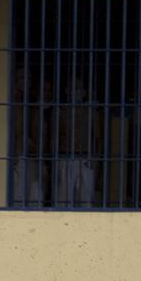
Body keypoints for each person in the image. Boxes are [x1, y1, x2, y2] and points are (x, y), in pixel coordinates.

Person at [53, 72, 97, 208]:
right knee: (63, 203)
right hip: (65, 159)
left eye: (79, 88)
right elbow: (54, 137)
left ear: (84, 92)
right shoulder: (60, 111)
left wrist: (95, 160)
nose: (76, 91)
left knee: (86, 203)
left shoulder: (91, 111)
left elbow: (98, 137)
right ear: (66, 91)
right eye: (72, 88)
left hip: (86, 159)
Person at [9, 66, 48, 207]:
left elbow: (41, 135)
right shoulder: (11, 106)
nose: (27, 82)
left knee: (35, 201)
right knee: (19, 201)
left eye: (29, 79)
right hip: (17, 159)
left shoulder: (32, 105)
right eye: (22, 78)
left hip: (33, 158)